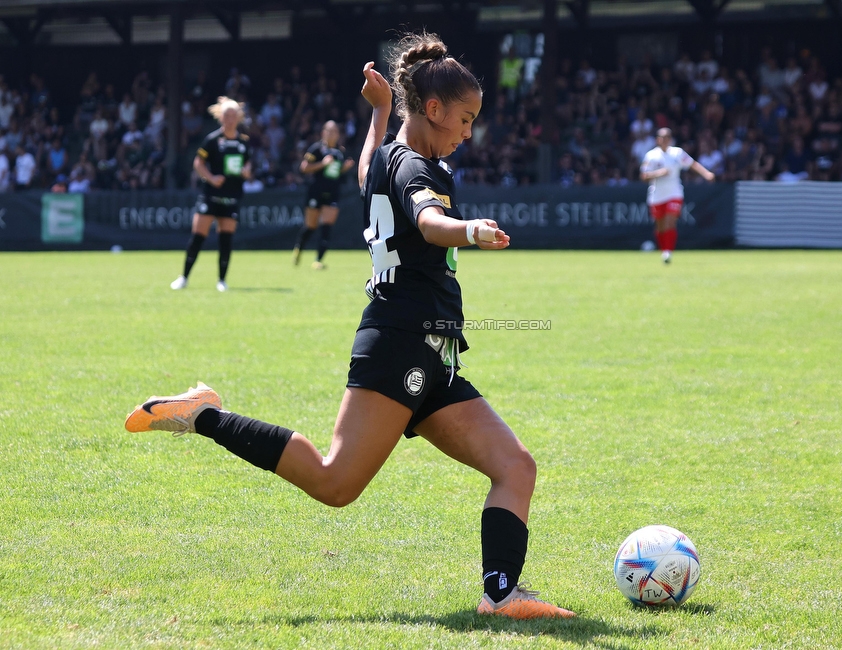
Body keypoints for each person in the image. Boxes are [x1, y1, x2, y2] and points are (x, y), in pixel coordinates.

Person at [125, 32, 574, 621]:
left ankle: (502, 596)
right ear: (434, 109)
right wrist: (470, 229)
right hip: (400, 346)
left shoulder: (388, 157)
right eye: (465, 119)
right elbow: (431, 221)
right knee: (336, 483)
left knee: (515, 466)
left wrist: (380, 112)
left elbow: (366, 164)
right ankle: (202, 413)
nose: (469, 133)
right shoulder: (421, 169)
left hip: (430, 352)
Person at [171, 97, 251, 292]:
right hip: (210, 195)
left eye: (233, 115)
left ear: (238, 118)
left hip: (232, 195)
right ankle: (184, 277)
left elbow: (247, 164)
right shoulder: (212, 140)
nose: (230, 119)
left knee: (226, 238)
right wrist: (210, 178)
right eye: (226, 115)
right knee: (198, 236)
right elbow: (198, 163)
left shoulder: (243, 142)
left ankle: (222, 280)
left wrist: (247, 171)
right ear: (220, 117)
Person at [640, 128, 715, 264]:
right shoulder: (651, 156)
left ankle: (668, 252)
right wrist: (659, 173)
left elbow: (693, 164)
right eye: (662, 137)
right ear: (658, 140)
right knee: (660, 227)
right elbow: (644, 176)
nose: (665, 140)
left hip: (674, 193)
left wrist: (706, 174)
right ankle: (664, 250)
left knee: (670, 222)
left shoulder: (677, 153)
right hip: (656, 195)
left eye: (668, 137)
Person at [292, 120, 355, 269]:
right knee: (310, 226)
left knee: (327, 226)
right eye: (329, 131)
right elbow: (304, 168)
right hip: (315, 191)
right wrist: (322, 163)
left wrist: (344, 169)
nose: (331, 134)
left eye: (334, 131)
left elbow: (336, 173)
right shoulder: (316, 149)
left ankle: (318, 260)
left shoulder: (340, 152)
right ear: (323, 133)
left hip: (333, 192)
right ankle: (299, 248)